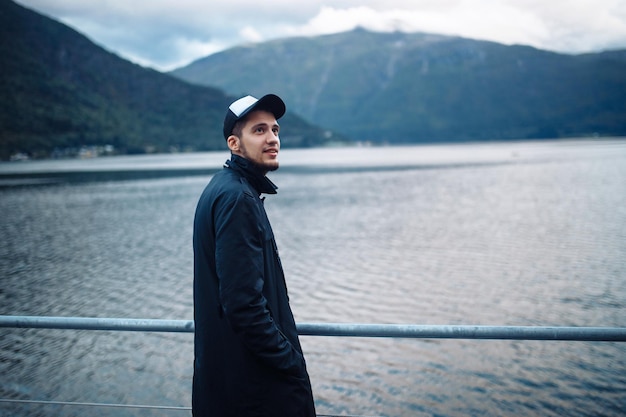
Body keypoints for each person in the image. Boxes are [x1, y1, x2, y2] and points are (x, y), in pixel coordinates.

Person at [192, 94, 316, 416]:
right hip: (255, 392)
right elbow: (243, 304)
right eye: (259, 131)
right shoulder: (238, 199)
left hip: (232, 384)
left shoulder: (225, 188)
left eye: (275, 130)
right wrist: (291, 363)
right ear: (235, 143)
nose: (273, 139)